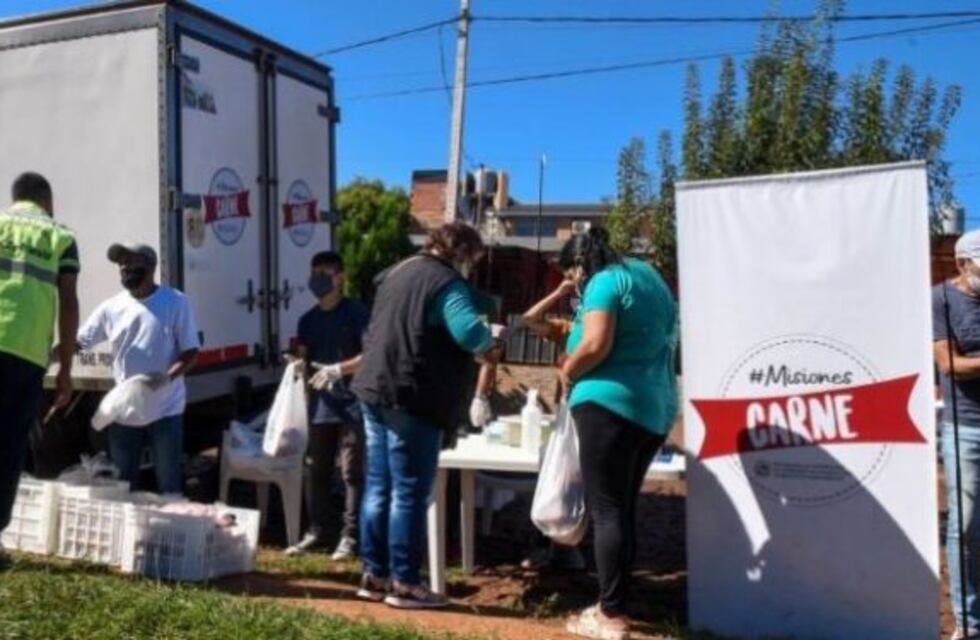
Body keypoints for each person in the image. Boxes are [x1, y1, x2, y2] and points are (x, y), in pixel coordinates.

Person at [351, 222, 501, 609]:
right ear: (462, 253)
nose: (471, 268)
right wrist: (491, 344)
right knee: (410, 491)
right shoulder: (446, 282)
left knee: (378, 485)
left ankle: (373, 574)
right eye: (472, 260)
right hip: (412, 393)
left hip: (373, 386)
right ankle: (404, 582)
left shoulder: (395, 273)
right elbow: (468, 331)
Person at [557, 228, 677, 640]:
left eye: (572, 276)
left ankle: (610, 618)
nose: (574, 284)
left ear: (580, 264)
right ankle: (615, 604)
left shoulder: (604, 280)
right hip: (654, 409)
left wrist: (567, 370)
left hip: (608, 406)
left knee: (606, 510)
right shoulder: (649, 276)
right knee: (622, 510)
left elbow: (595, 343)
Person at [76, 243, 200, 494]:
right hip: (126, 411)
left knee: (168, 484)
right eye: (122, 265)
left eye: (132, 264)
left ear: (151, 266)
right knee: (123, 486)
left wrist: (167, 378)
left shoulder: (175, 302)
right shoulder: (110, 308)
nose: (126, 269)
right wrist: (50, 354)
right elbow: (79, 343)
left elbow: (191, 353)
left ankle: (171, 526)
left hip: (165, 408)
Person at [0, 173, 78, 566]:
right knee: (9, 447)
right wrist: (65, 370)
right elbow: (68, 302)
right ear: (46, 201)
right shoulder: (59, 236)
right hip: (27, 354)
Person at [286, 251, 370, 561]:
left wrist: (338, 369)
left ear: (340, 277)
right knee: (317, 470)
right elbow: (303, 357)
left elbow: (370, 355)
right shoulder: (307, 320)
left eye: (326, 273)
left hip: (352, 405)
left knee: (352, 472)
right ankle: (318, 531)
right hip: (320, 405)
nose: (318, 280)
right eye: (314, 273)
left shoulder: (357, 314)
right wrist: (296, 366)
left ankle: (351, 536)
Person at [934, 229, 980, 640]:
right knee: (964, 526)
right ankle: (966, 623)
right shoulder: (941, 300)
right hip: (965, 427)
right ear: (962, 263)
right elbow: (949, 364)